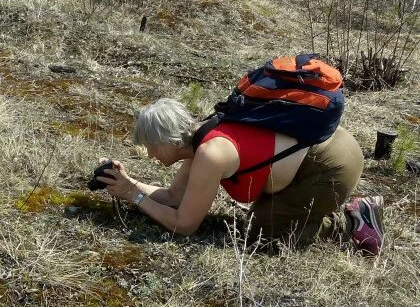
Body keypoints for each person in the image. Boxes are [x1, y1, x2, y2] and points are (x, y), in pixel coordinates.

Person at [96, 98, 384, 254]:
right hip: (322, 146)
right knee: (259, 225)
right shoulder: (200, 140)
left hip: (330, 163)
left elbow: (184, 225)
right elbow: (172, 198)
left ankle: (351, 220)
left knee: (264, 238)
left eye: (151, 147)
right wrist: (127, 183)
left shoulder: (210, 153)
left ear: (168, 139)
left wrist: (132, 196)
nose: (150, 155)